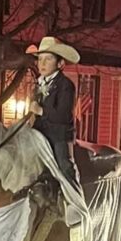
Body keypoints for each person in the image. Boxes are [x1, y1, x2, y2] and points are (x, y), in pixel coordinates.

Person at [26, 35, 81, 189]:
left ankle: (76, 199)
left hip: (58, 136)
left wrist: (41, 110)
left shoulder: (65, 85)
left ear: (60, 63)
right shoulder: (37, 85)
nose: (42, 63)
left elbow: (63, 115)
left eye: (48, 59)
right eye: (40, 59)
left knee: (64, 165)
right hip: (38, 134)